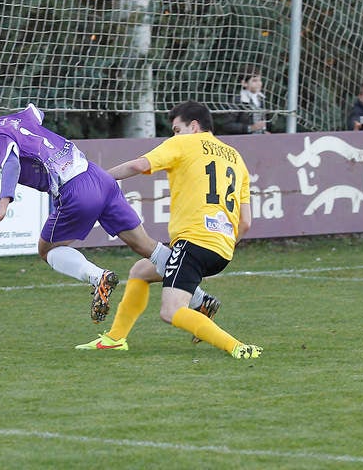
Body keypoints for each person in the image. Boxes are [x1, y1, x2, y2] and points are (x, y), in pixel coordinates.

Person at [0, 96, 174, 324]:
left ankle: (98, 277)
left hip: (75, 190)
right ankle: (198, 298)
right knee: (145, 245)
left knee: (47, 250)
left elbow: (11, 163)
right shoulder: (10, 121)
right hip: (98, 177)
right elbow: (36, 113)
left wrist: (2, 207)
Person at [76, 101, 262, 359]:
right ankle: (115, 338)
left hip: (193, 243)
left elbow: (139, 166)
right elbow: (246, 222)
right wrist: (224, 246)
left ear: (193, 126)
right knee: (141, 271)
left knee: (171, 311)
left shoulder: (185, 143)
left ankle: (237, 346)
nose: (174, 135)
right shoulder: (235, 157)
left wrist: (98, 180)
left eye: (176, 129)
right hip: (222, 248)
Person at [219, 67, 269, 135]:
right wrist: (250, 128)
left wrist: (264, 131)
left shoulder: (261, 99)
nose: (259, 83)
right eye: (254, 81)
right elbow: (227, 125)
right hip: (243, 140)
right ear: (244, 83)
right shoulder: (237, 100)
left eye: (260, 80)